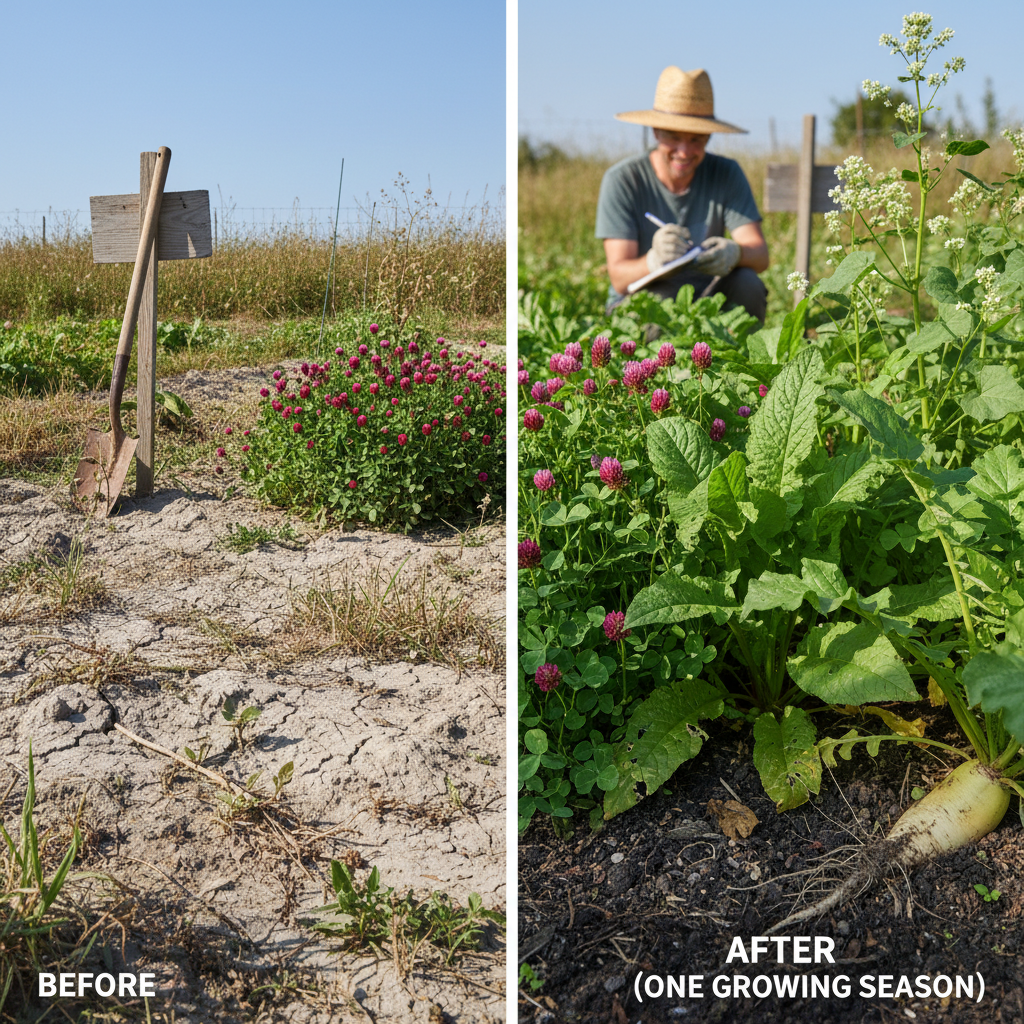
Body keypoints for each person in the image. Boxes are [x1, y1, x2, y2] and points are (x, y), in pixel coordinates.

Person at [596, 66, 769, 321]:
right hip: (643, 297)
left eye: (696, 140)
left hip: (706, 295)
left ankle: (745, 358)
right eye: (674, 138)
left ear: (709, 136)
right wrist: (654, 261)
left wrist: (734, 253)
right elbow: (620, 277)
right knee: (658, 304)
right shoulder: (622, 180)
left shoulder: (726, 173)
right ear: (655, 131)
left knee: (748, 283)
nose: (684, 151)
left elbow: (760, 255)